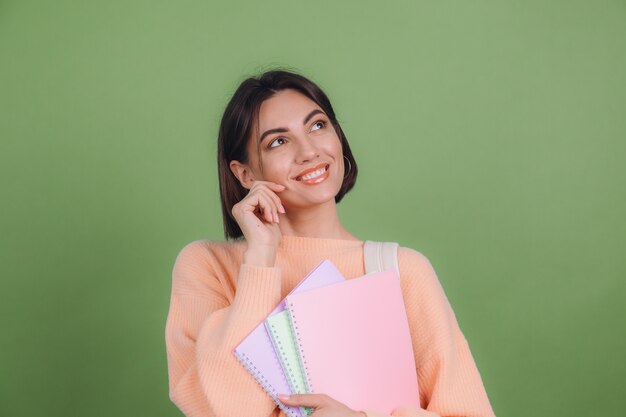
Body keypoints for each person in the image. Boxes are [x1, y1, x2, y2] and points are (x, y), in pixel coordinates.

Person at [164, 69, 496, 417]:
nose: (308, 151)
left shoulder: (401, 271)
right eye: (278, 141)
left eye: (318, 125)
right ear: (245, 174)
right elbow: (228, 411)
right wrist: (261, 260)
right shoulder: (207, 267)